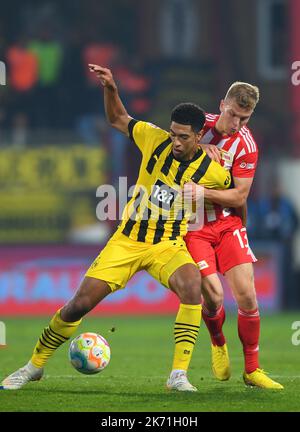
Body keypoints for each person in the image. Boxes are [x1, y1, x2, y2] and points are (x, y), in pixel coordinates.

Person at [1, 64, 231, 392]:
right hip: (126, 241)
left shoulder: (211, 169)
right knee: (78, 304)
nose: (176, 141)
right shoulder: (154, 139)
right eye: (173, 133)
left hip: (167, 244)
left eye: (183, 136)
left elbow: (235, 192)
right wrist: (111, 88)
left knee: (192, 286)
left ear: (198, 136)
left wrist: (218, 214)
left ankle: (178, 374)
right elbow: (117, 119)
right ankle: (33, 366)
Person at [184, 82, 283, 389]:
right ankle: (217, 343)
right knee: (213, 297)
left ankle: (252, 369)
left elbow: (240, 196)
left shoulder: (247, 146)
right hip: (194, 227)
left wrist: (203, 192)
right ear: (221, 105)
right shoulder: (196, 126)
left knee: (248, 296)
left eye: (245, 118)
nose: (238, 124)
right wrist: (198, 148)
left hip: (228, 225)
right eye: (234, 115)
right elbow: (167, 149)